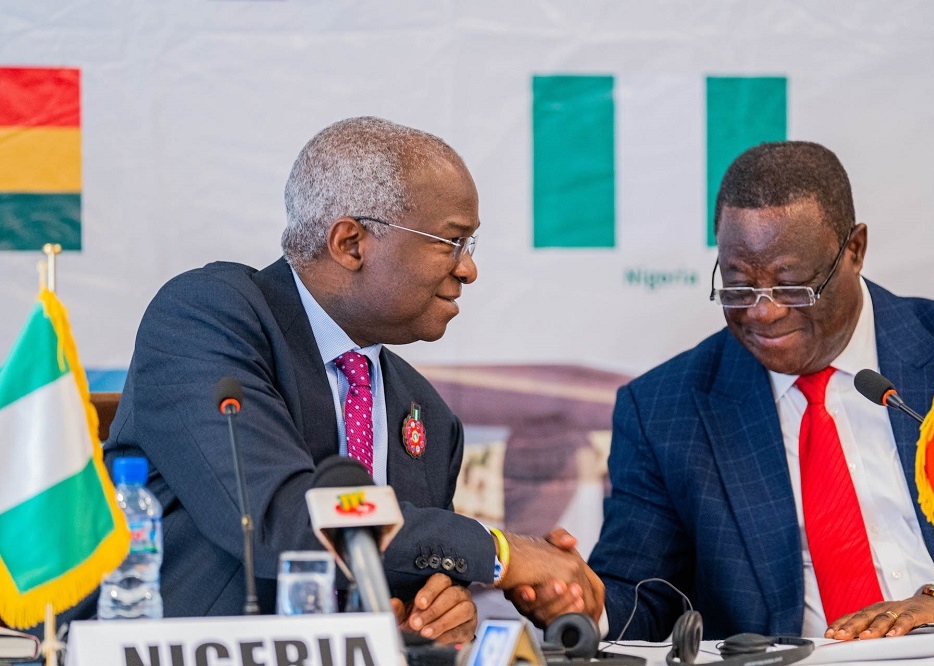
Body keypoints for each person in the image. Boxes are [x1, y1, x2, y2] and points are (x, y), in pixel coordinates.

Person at [100, 117, 596, 643]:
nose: (468, 269)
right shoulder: (208, 316)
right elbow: (284, 520)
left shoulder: (426, 413)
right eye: (451, 242)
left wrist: (442, 608)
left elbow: (405, 561)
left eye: (470, 244)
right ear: (351, 242)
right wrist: (498, 552)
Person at [515, 141, 934, 641]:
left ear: (855, 250)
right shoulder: (665, 411)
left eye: (791, 285)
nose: (764, 312)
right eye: (739, 285)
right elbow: (647, 594)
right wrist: (589, 606)